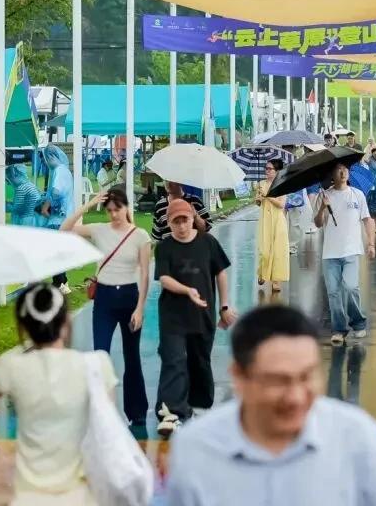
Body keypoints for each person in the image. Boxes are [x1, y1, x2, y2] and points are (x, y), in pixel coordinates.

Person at [165, 305, 376, 505]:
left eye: (307, 376)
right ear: (239, 377)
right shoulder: (195, 449)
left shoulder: (357, 438)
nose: (296, 397)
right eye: (279, 381)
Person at [0, 284, 116, 504]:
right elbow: (106, 428)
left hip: (27, 496)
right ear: (66, 322)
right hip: (79, 496)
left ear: (24, 326)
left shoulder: (12, 367)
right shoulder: (96, 365)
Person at [62, 187, 151, 427]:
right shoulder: (100, 230)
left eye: (117, 209)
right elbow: (65, 229)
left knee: (132, 356)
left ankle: (137, 411)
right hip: (105, 298)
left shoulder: (140, 236)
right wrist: (89, 204)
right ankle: (100, 409)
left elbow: (145, 274)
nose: (113, 215)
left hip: (130, 296)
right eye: (109, 210)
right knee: (100, 355)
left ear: (126, 208)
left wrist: (140, 308)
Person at [154, 199, 237, 435]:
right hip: (172, 316)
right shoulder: (164, 247)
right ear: (168, 223)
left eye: (185, 220)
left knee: (199, 361)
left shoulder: (208, 242)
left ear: (192, 219)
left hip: (202, 314)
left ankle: (199, 405)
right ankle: (171, 412)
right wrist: (187, 290)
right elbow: (164, 279)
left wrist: (224, 306)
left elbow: (220, 273)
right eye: (176, 222)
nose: (181, 226)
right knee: (174, 360)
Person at [314, 160, 376, 346]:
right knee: (333, 293)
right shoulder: (325, 195)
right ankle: (339, 329)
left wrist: (371, 243)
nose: (342, 172)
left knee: (350, 287)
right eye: (338, 170)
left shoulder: (357, 195)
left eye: (345, 169)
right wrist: (322, 207)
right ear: (332, 175)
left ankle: (358, 322)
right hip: (330, 252)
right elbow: (318, 223)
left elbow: (367, 220)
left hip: (351, 250)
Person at [39, 144, 75, 294]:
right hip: (64, 218)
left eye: (47, 158)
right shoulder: (63, 170)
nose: (46, 161)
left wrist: (46, 205)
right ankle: (62, 281)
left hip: (58, 219)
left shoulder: (59, 171)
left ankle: (59, 283)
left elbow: (56, 191)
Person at [255, 159, 290, 294]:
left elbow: (281, 204)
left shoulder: (282, 185)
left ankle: (276, 281)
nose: (267, 171)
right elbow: (258, 203)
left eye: (270, 169)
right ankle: (262, 272)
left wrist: (268, 196)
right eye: (266, 168)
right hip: (265, 220)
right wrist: (258, 199)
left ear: (277, 171)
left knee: (278, 251)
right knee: (264, 251)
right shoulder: (261, 184)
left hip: (278, 221)